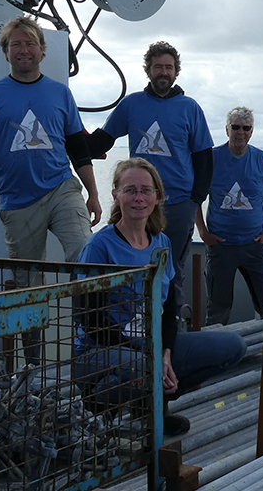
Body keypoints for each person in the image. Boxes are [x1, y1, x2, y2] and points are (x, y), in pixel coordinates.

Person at [74, 158, 246, 435]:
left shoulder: (161, 243)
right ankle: (99, 402)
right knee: (141, 366)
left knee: (233, 347)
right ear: (116, 195)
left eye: (146, 190)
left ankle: (153, 404)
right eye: (130, 190)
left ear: (157, 197)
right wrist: (151, 357)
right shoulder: (100, 246)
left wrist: (165, 352)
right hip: (100, 352)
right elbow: (91, 319)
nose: (138, 197)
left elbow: (170, 306)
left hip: (150, 347)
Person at [89, 41, 213, 326]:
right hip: (137, 201)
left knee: (173, 269)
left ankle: (170, 330)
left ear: (176, 72)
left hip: (178, 203)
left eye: (168, 67)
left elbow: (205, 159)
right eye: (158, 67)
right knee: (130, 263)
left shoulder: (190, 108)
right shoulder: (131, 104)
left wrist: (196, 199)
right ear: (148, 70)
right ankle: (126, 327)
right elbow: (101, 141)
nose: (163, 72)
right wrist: (70, 136)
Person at [0, 16, 102, 277]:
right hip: (17, 200)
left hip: (62, 189)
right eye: (16, 44)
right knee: (26, 280)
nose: (24, 50)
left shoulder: (60, 93)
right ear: (5, 51)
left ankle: (86, 317)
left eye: (30, 43)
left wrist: (93, 194)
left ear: (42, 49)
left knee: (85, 254)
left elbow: (77, 148)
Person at [195, 107, 263, 324]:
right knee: (218, 308)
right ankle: (214, 356)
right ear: (227, 129)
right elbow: (196, 197)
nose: (240, 132)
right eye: (235, 127)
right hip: (221, 247)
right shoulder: (212, 158)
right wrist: (203, 232)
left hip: (254, 245)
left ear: (252, 131)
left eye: (246, 128)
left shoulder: (261, 159)